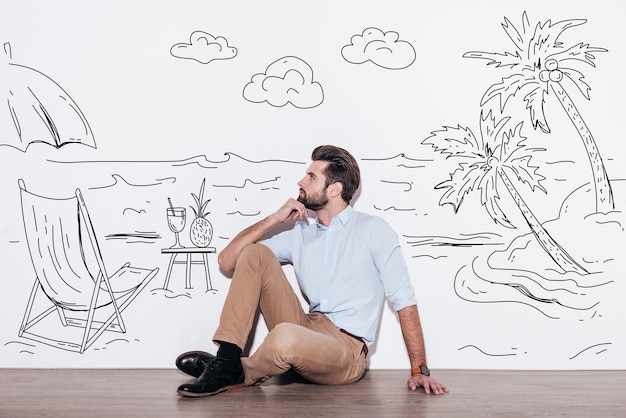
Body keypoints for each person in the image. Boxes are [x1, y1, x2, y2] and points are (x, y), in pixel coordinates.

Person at [176, 145, 448, 397]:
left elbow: (404, 301)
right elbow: (228, 261)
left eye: (310, 176)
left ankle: (238, 371)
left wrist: (419, 370)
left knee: (283, 336)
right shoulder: (300, 233)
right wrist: (274, 218)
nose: (300, 182)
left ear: (334, 190)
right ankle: (226, 359)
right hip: (307, 328)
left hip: (346, 350)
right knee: (255, 253)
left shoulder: (373, 230)